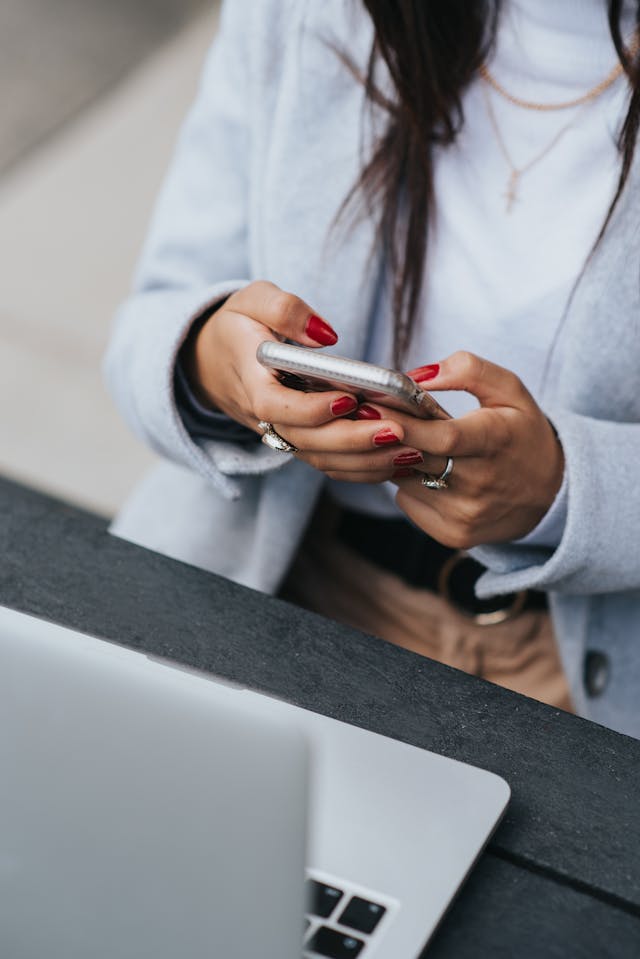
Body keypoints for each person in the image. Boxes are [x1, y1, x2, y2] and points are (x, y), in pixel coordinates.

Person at [104, 0, 640, 738]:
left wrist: (566, 490)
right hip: (281, 586)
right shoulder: (303, 13)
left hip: (575, 679)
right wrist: (210, 362)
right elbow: (144, 325)